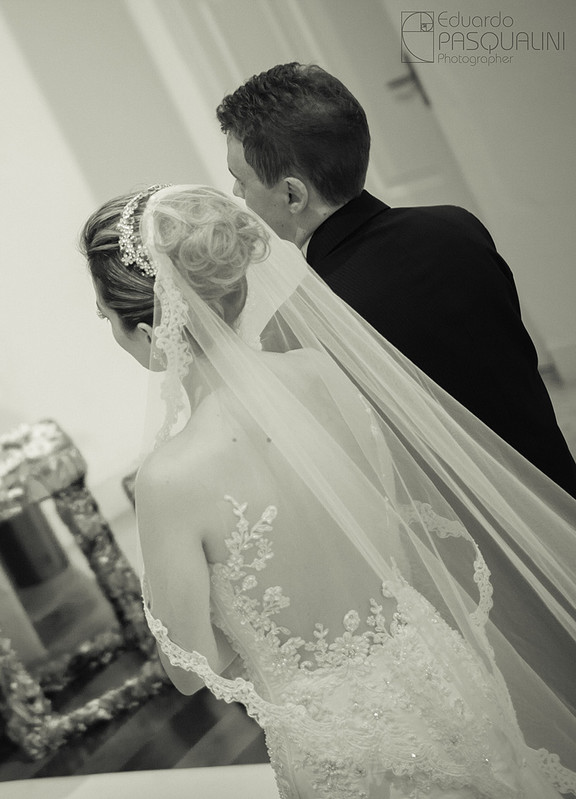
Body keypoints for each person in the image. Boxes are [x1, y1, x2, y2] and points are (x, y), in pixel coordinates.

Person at [81, 183, 576, 797]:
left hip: (339, 738)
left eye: (107, 318)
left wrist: (269, 646)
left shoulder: (170, 479)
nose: (109, 331)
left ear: (152, 332)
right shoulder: (322, 372)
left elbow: (188, 671)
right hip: (435, 672)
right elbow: (392, 530)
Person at [215, 61, 576, 497]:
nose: (238, 194)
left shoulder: (299, 324)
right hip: (560, 489)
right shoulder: (457, 228)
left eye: (241, 179)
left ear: (293, 195)